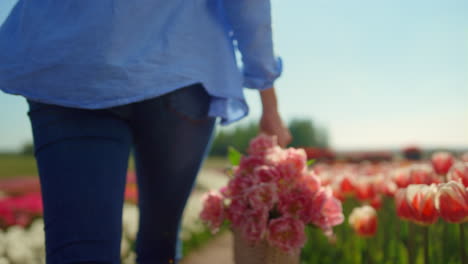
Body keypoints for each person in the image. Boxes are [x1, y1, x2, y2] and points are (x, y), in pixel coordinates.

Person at [0, 0, 291, 263]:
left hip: (70, 60)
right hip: (180, 64)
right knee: (159, 245)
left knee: (81, 251)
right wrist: (268, 98)